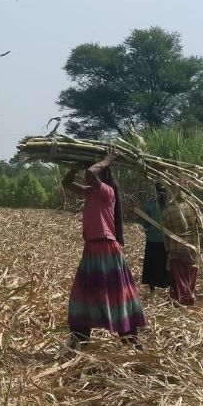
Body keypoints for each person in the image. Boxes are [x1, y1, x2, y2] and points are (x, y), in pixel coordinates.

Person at [62, 149, 147, 348]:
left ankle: (131, 341)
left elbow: (90, 173)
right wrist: (73, 168)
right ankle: (79, 339)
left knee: (117, 295)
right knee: (83, 295)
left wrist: (107, 160)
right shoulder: (91, 192)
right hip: (92, 250)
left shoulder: (107, 192)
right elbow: (66, 183)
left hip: (106, 249)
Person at [162, 186, 203, 306]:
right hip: (193, 247)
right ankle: (188, 296)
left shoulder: (167, 210)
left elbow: (166, 234)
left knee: (179, 277)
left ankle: (183, 297)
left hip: (176, 249)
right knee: (191, 274)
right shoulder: (193, 206)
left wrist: (167, 249)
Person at [138, 182, 171, 294]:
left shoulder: (149, 204)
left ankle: (152, 289)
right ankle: (168, 287)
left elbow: (145, 224)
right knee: (165, 264)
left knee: (152, 265)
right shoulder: (170, 204)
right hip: (166, 242)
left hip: (152, 241)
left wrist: (148, 229)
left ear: (155, 192)